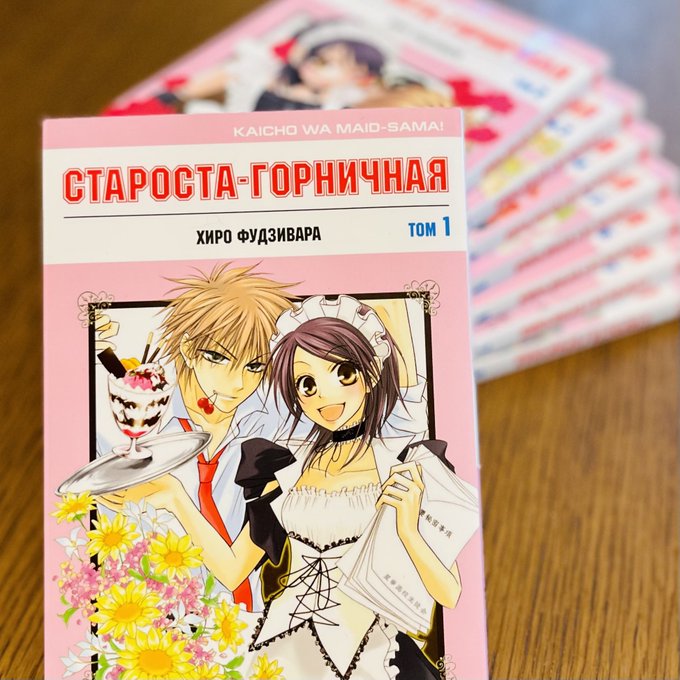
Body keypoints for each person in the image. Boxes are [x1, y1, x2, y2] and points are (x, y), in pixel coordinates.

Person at [104, 295, 460, 679]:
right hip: (282, 646)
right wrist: (175, 497)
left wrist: (408, 531)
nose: (324, 394)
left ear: (371, 374)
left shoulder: (404, 462)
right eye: (307, 383)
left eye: (343, 373)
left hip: (372, 650)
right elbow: (232, 570)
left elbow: (450, 593)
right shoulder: (284, 465)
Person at [98, 263, 298, 612]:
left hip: (249, 619)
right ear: (189, 350)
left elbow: (235, 571)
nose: (238, 383)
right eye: (218, 358)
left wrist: (174, 495)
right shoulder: (135, 413)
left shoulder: (276, 425)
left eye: (255, 366)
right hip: (156, 616)